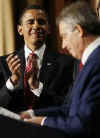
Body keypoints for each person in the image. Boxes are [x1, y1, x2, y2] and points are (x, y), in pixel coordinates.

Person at [18, 1, 100, 137]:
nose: (63, 45)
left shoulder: (96, 63)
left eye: (64, 37)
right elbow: (70, 108)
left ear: (79, 31)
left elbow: (84, 124)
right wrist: (33, 114)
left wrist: (43, 121)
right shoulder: (87, 62)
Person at [0, 5, 74, 113]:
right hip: (12, 128)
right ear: (20, 30)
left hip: (48, 127)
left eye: (41, 22)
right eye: (30, 22)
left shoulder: (66, 63)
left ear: (48, 29)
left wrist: (37, 87)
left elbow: (67, 106)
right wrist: (12, 81)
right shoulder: (3, 63)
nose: (36, 26)